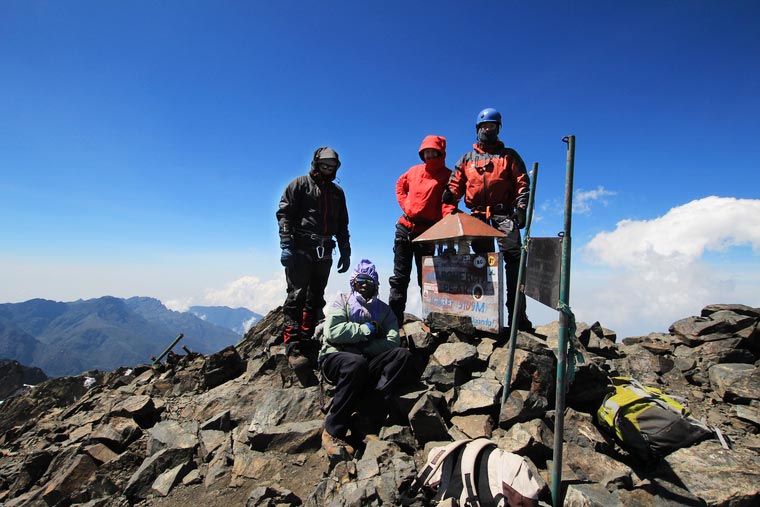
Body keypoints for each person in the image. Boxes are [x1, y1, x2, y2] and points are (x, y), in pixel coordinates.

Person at [442, 108, 533, 331]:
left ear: (498, 129)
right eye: (484, 127)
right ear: (477, 130)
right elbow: (456, 184)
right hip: (478, 216)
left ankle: (517, 317)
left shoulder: (509, 155)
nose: (487, 130)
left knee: (514, 263)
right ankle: (484, 318)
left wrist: (521, 207)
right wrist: (451, 196)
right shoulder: (467, 159)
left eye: (491, 127)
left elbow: (523, 183)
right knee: (481, 266)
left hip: (504, 215)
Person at [318, 259, 415, 459]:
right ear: (353, 282)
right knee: (355, 362)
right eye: (359, 280)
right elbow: (333, 332)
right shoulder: (342, 301)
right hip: (334, 358)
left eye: (368, 281)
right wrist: (365, 330)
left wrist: (365, 347)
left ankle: (364, 416)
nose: (363, 284)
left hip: (364, 359)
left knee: (402, 355)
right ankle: (332, 431)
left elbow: (392, 341)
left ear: (376, 285)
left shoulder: (383, 310)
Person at [277, 147, 351, 368]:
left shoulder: (338, 193)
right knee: (296, 296)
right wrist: (286, 244)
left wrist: (345, 251)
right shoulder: (299, 184)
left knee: (316, 296)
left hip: (325, 249)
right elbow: (285, 214)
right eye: (324, 165)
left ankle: (308, 336)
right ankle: (293, 346)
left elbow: (342, 224)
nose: (328, 170)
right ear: (316, 164)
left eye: (332, 166)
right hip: (301, 248)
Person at [388, 135, 455, 326]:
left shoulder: (447, 176)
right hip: (405, 228)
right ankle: (394, 321)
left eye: (433, 151)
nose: (429, 155)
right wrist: (406, 205)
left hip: (427, 233)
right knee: (400, 278)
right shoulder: (414, 171)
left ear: (440, 152)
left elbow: (450, 201)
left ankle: (431, 322)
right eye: (426, 152)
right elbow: (400, 185)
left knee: (426, 280)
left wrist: (447, 222)